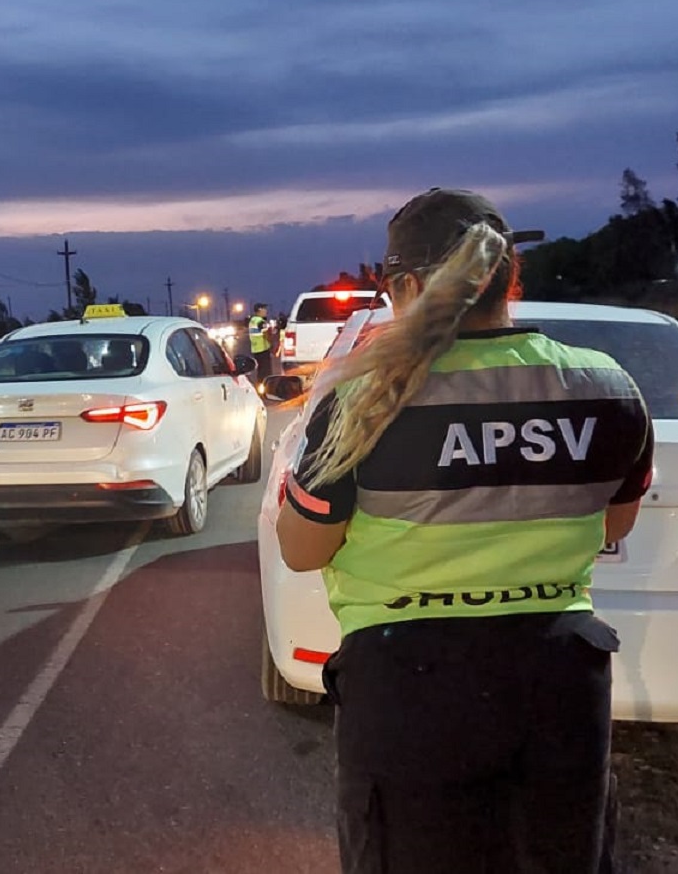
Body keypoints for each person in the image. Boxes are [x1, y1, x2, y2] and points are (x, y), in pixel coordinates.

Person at [275, 188, 653, 873]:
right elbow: (613, 523)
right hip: (560, 683)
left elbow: (302, 551)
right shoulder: (606, 387)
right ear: (510, 279)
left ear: (410, 285)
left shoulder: (365, 399)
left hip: (409, 688)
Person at [247, 302, 273, 381]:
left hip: (255, 349)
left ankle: (260, 386)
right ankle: (266, 387)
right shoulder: (260, 321)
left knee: (260, 370)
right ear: (260, 310)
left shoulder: (252, 320)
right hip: (263, 348)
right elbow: (266, 334)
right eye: (264, 309)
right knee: (266, 371)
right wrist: (271, 344)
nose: (266, 311)